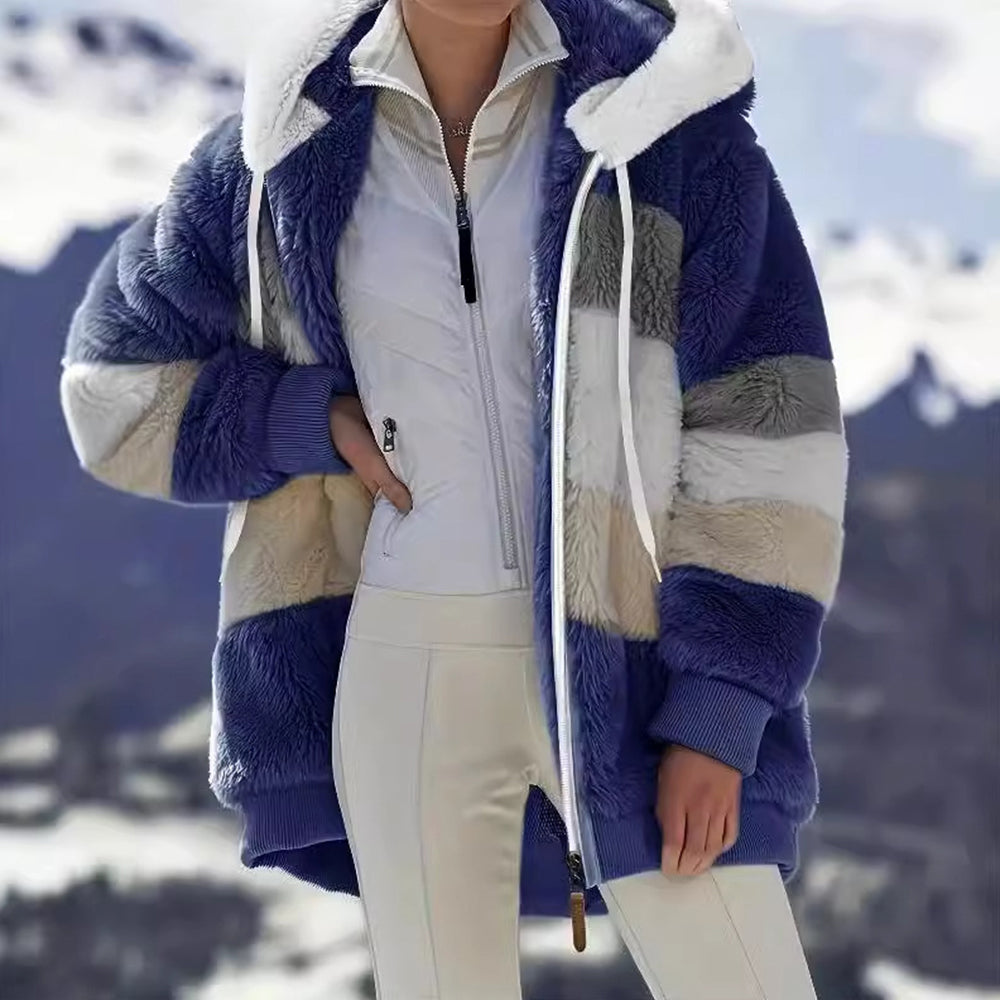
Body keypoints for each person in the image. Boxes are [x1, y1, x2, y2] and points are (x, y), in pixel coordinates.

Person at [60, 0, 848, 996]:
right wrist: (303, 419)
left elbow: (772, 426)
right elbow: (110, 393)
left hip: (636, 667)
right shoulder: (277, 155)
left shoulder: (663, 122)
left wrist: (720, 705)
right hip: (405, 674)